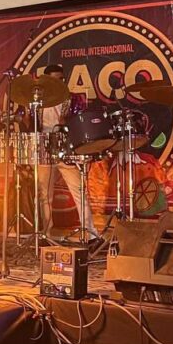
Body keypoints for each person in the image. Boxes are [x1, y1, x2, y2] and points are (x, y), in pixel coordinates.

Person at [31, 65, 101, 244]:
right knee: (44, 193)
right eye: (54, 79)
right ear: (46, 81)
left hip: (65, 145)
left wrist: (66, 121)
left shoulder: (70, 99)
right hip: (44, 145)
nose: (59, 82)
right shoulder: (37, 100)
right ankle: (45, 234)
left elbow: (80, 121)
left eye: (61, 79)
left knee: (79, 189)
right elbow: (30, 124)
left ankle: (91, 233)